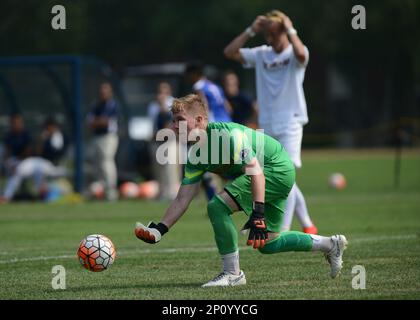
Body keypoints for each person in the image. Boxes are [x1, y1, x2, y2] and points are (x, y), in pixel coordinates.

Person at [134, 94, 347, 287]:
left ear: (199, 120)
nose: (173, 127)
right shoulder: (195, 156)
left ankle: (232, 274)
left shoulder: (228, 136)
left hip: (275, 169)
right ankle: (330, 244)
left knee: (217, 207)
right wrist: (160, 229)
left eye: (180, 121)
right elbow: (182, 199)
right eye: (172, 121)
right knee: (269, 244)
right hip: (273, 174)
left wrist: (258, 213)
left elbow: (256, 173)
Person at [223, 10, 318, 234]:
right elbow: (230, 52)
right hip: (267, 122)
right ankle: (307, 224)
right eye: (267, 35)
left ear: (284, 31)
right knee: (279, 176)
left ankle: (282, 228)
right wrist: (250, 30)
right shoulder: (261, 54)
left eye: (274, 34)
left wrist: (291, 28)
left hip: (291, 122)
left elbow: (303, 56)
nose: (270, 39)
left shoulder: (294, 53)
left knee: (286, 174)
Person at [185, 61, 232, 200]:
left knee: (204, 164)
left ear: (193, 74)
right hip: (228, 125)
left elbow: (203, 107)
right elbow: (228, 108)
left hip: (213, 127)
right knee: (224, 163)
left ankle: (214, 199)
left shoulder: (198, 87)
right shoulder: (214, 86)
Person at [87, 82, 119, 201]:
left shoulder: (113, 105)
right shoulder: (96, 105)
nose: (103, 94)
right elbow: (90, 122)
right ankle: (101, 191)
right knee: (97, 164)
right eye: (102, 92)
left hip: (109, 137)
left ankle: (111, 191)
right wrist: (98, 122)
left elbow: (106, 122)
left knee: (107, 161)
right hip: (97, 137)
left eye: (106, 92)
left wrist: (98, 122)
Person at [148, 82, 180, 200]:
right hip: (156, 140)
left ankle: (171, 193)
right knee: (158, 169)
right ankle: (161, 192)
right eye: (159, 92)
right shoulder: (152, 106)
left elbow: (173, 124)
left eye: (164, 92)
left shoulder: (173, 104)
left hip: (169, 140)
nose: (161, 95)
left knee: (170, 168)